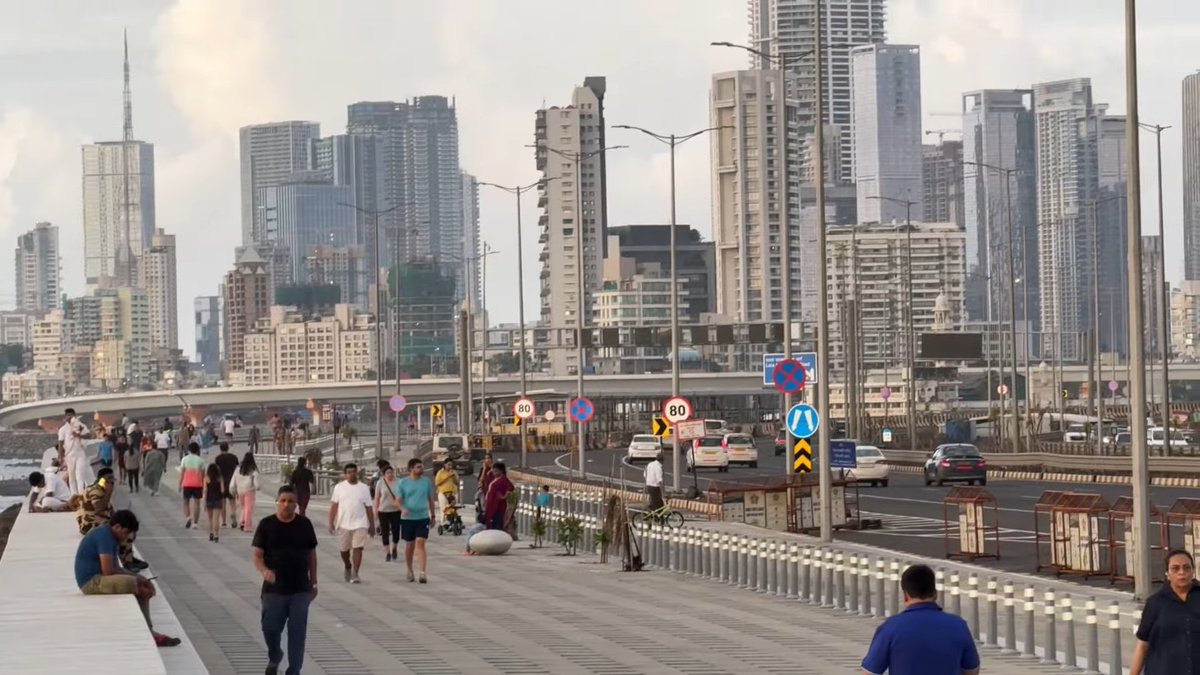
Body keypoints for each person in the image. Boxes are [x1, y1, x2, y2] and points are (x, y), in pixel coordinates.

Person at [75, 510, 181, 647]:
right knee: (134, 583)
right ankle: (149, 633)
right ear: (117, 527)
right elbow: (108, 571)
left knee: (139, 582)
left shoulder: (110, 536)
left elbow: (116, 568)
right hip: (91, 582)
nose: (125, 537)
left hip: (99, 578)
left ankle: (150, 631)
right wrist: (136, 580)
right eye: (125, 532)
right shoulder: (104, 536)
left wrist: (141, 578)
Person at [861, 563, 979, 675]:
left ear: (906, 595)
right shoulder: (958, 625)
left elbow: (870, 672)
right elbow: (972, 670)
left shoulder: (891, 628)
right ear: (935, 593)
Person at [253, 486, 317, 675]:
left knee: (297, 633)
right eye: (283, 501)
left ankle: (294, 670)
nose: (286, 505)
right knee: (269, 628)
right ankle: (275, 655)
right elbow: (257, 555)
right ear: (277, 502)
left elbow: (312, 555)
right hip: (274, 590)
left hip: (300, 589)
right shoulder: (266, 524)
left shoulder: (305, 524)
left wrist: (314, 582)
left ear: (296, 504)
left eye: (291, 501)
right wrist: (264, 571)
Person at [1130, 549, 1200, 675]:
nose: (1182, 572)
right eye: (1175, 568)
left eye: (1186, 567)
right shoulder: (1155, 603)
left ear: (1193, 570)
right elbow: (1142, 645)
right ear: (1167, 573)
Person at [328, 463, 374, 583]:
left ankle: (355, 573)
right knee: (344, 550)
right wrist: (331, 522)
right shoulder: (339, 487)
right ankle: (348, 565)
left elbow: (369, 506)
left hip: (360, 522)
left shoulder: (364, 488)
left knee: (358, 547)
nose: (352, 474)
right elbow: (334, 505)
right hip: (344, 523)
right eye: (349, 472)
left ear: (357, 472)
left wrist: (372, 524)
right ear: (345, 474)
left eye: (354, 471)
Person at [396, 458, 437, 583]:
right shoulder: (403, 483)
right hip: (408, 518)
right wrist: (402, 508)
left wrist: (433, 516)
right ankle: (409, 569)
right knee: (410, 545)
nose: (421, 469)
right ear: (411, 469)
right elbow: (397, 500)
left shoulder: (426, 482)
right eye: (418, 467)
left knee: (420, 542)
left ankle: (422, 573)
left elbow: (430, 499)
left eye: (422, 466)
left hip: (422, 517)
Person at [59, 407, 92, 495]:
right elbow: (60, 443)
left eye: (71, 415)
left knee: (80, 476)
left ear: (74, 415)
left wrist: (78, 435)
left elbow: (89, 435)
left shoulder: (80, 426)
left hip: (80, 453)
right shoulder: (63, 429)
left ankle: (81, 494)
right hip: (69, 455)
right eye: (68, 415)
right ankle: (74, 495)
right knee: (71, 477)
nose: (70, 417)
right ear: (65, 417)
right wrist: (60, 457)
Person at [373, 464, 402, 562]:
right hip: (383, 510)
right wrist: (375, 511)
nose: (390, 474)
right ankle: (387, 552)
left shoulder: (398, 482)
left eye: (391, 472)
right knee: (384, 532)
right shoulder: (380, 483)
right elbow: (377, 498)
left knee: (396, 531)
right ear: (384, 474)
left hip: (396, 510)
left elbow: (403, 495)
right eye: (388, 473)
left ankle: (394, 548)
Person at [213, 442, 241, 528]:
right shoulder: (234, 457)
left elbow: (216, 471)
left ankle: (224, 521)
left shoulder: (218, 458)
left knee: (223, 503)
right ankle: (233, 514)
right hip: (231, 481)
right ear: (228, 448)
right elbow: (237, 469)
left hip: (221, 482)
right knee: (232, 501)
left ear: (220, 449)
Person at [231, 452, 261, 532]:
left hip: (240, 490)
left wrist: (232, 489)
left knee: (243, 507)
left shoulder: (238, 469)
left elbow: (233, 480)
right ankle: (246, 525)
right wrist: (258, 487)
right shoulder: (253, 471)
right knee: (248, 508)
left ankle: (242, 521)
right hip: (249, 491)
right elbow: (256, 484)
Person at [179, 442, 206, 528]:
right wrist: (203, 485)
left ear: (189, 450)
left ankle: (188, 517)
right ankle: (195, 523)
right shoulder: (201, 460)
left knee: (185, 502)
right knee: (197, 503)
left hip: (187, 483)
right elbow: (203, 475)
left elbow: (182, 473)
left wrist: (180, 484)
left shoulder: (184, 459)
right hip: (197, 484)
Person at [483, 461, 514, 531]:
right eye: (493, 470)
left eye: (496, 471)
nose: (494, 472)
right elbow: (486, 482)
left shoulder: (503, 479)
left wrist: (504, 496)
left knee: (497, 522)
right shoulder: (494, 479)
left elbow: (511, 487)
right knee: (490, 521)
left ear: (501, 471)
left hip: (497, 505)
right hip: (491, 503)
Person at [203, 463, 225, 543]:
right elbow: (222, 490)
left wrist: (204, 502)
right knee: (216, 519)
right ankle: (216, 535)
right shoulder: (220, 478)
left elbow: (205, 490)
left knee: (210, 519)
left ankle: (211, 534)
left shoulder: (206, 478)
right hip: (218, 499)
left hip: (209, 499)